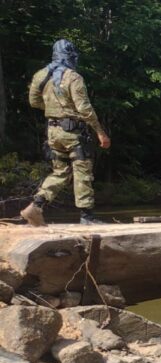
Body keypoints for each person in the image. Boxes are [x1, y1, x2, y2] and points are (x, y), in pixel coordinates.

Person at [21, 39, 112, 226]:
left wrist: (53, 109)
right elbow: (84, 108)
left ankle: (36, 205)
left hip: (52, 131)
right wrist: (100, 132)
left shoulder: (40, 75)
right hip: (72, 132)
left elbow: (34, 102)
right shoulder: (73, 77)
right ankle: (87, 217)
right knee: (82, 170)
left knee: (60, 171)